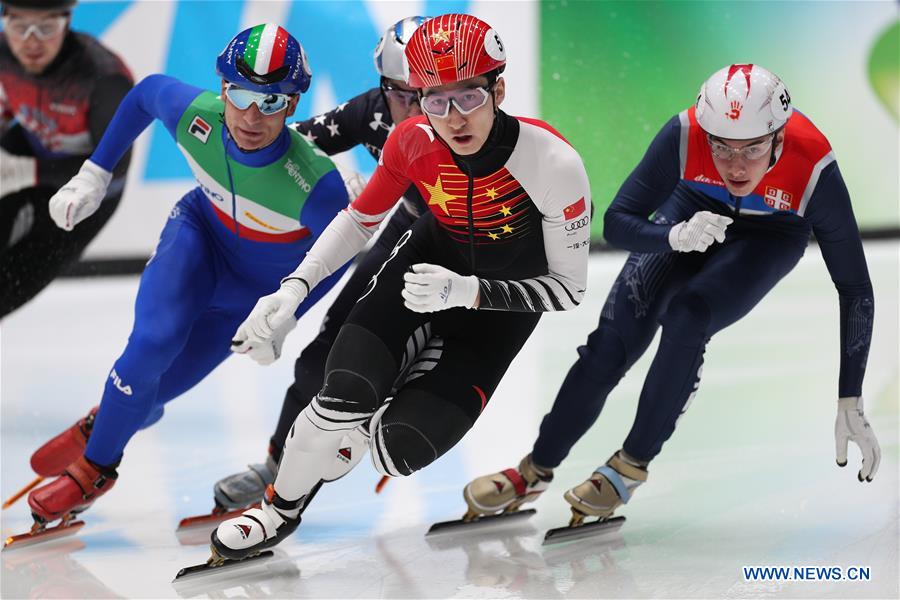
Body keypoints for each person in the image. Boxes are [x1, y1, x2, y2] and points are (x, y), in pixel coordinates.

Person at [210, 13, 592, 561]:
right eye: (434, 101)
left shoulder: (553, 163)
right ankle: (277, 510)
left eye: (468, 98)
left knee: (398, 450)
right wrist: (291, 291)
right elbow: (359, 221)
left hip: (495, 310)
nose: (453, 118)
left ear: (499, 89)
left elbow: (568, 290)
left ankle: (360, 430)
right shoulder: (413, 139)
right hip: (422, 270)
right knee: (339, 389)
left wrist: (470, 292)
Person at [462, 64, 880, 527]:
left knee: (688, 316)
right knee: (609, 347)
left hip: (771, 236)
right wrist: (675, 236)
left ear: (779, 138)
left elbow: (856, 287)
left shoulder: (814, 166)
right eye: (721, 147)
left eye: (754, 149)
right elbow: (618, 222)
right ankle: (534, 468)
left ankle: (629, 466)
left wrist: (850, 396)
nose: (736, 166)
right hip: (690, 212)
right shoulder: (683, 134)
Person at [19, 23, 353, 534]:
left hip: (252, 295)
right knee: (151, 345)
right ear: (223, 89)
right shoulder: (195, 115)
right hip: (198, 242)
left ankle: (110, 414)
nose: (250, 116)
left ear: (292, 105)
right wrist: (95, 172)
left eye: (272, 102)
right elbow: (145, 93)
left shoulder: (315, 184)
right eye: (240, 95)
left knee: (152, 392)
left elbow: (342, 251)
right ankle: (94, 470)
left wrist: (287, 314)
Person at [211, 16, 431, 513]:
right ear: (382, 88)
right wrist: (333, 174)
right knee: (325, 354)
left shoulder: (467, 126)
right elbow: (282, 147)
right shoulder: (371, 113)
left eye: (430, 94)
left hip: (469, 254)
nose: (417, 111)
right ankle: (277, 465)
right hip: (407, 232)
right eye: (402, 96)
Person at [0, 0, 132, 316]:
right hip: (29, 152)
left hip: (88, 189)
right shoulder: (4, 55)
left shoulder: (104, 78)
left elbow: (117, 165)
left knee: (9, 288)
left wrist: (24, 172)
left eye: (45, 28)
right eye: (20, 27)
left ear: (67, 22)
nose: (32, 41)